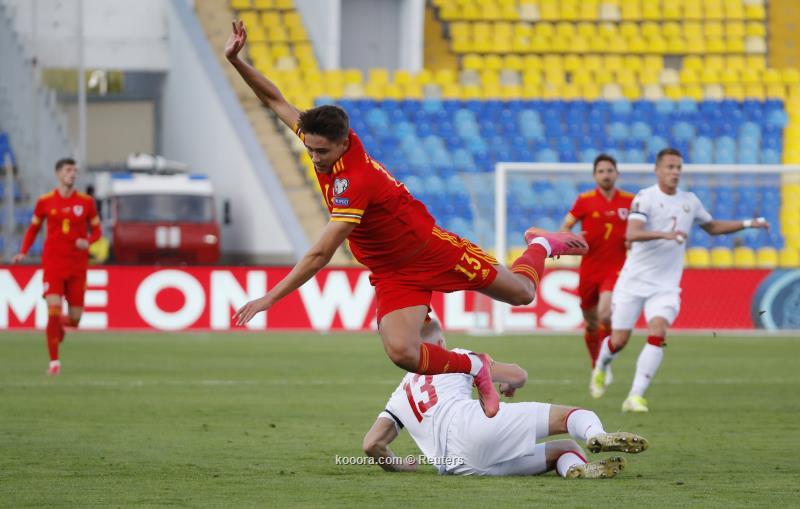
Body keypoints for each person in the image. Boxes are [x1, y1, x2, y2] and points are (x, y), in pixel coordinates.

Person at [224, 20, 588, 418]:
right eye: (309, 149)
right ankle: (480, 367)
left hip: (431, 250)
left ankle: (539, 244)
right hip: (392, 270)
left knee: (522, 293)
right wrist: (235, 60)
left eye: (321, 151)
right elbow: (275, 100)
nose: (314, 157)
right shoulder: (323, 138)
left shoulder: (355, 179)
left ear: (344, 143)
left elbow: (319, 254)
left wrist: (269, 298)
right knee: (402, 352)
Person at [590, 148, 770, 412]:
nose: (675, 172)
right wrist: (664, 235)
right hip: (634, 281)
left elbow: (711, 227)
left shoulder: (690, 201)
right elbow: (632, 233)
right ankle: (602, 365)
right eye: (670, 167)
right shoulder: (645, 198)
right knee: (619, 341)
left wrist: (746, 223)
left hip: (665, 285)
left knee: (658, 330)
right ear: (657, 170)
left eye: (678, 168)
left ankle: (635, 396)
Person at [362, 318, 649, 478]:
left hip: (458, 467)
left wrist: (400, 465)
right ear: (439, 344)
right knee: (572, 417)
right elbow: (519, 375)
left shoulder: (401, 392)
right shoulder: (456, 357)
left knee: (564, 447)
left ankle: (577, 468)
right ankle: (597, 434)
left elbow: (371, 444)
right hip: (472, 426)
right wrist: (509, 385)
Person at [12, 158, 101, 375]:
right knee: (53, 309)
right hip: (53, 264)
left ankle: (57, 327)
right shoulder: (45, 201)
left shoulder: (86, 202)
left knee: (75, 319)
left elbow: (98, 232)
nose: (73, 174)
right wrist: (23, 251)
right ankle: (54, 362)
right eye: (68, 170)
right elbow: (33, 229)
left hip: (78, 266)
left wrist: (87, 242)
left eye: (75, 171)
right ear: (58, 174)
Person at [560, 154, 633, 397]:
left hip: (617, 268)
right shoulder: (584, 201)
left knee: (605, 313)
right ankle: (597, 365)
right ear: (595, 176)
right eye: (601, 171)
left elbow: (639, 229)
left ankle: (604, 362)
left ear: (616, 174)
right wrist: (569, 242)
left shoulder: (631, 202)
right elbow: (565, 228)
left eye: (609, 170)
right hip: (590, 268)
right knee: (591, 322)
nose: (606, 175)